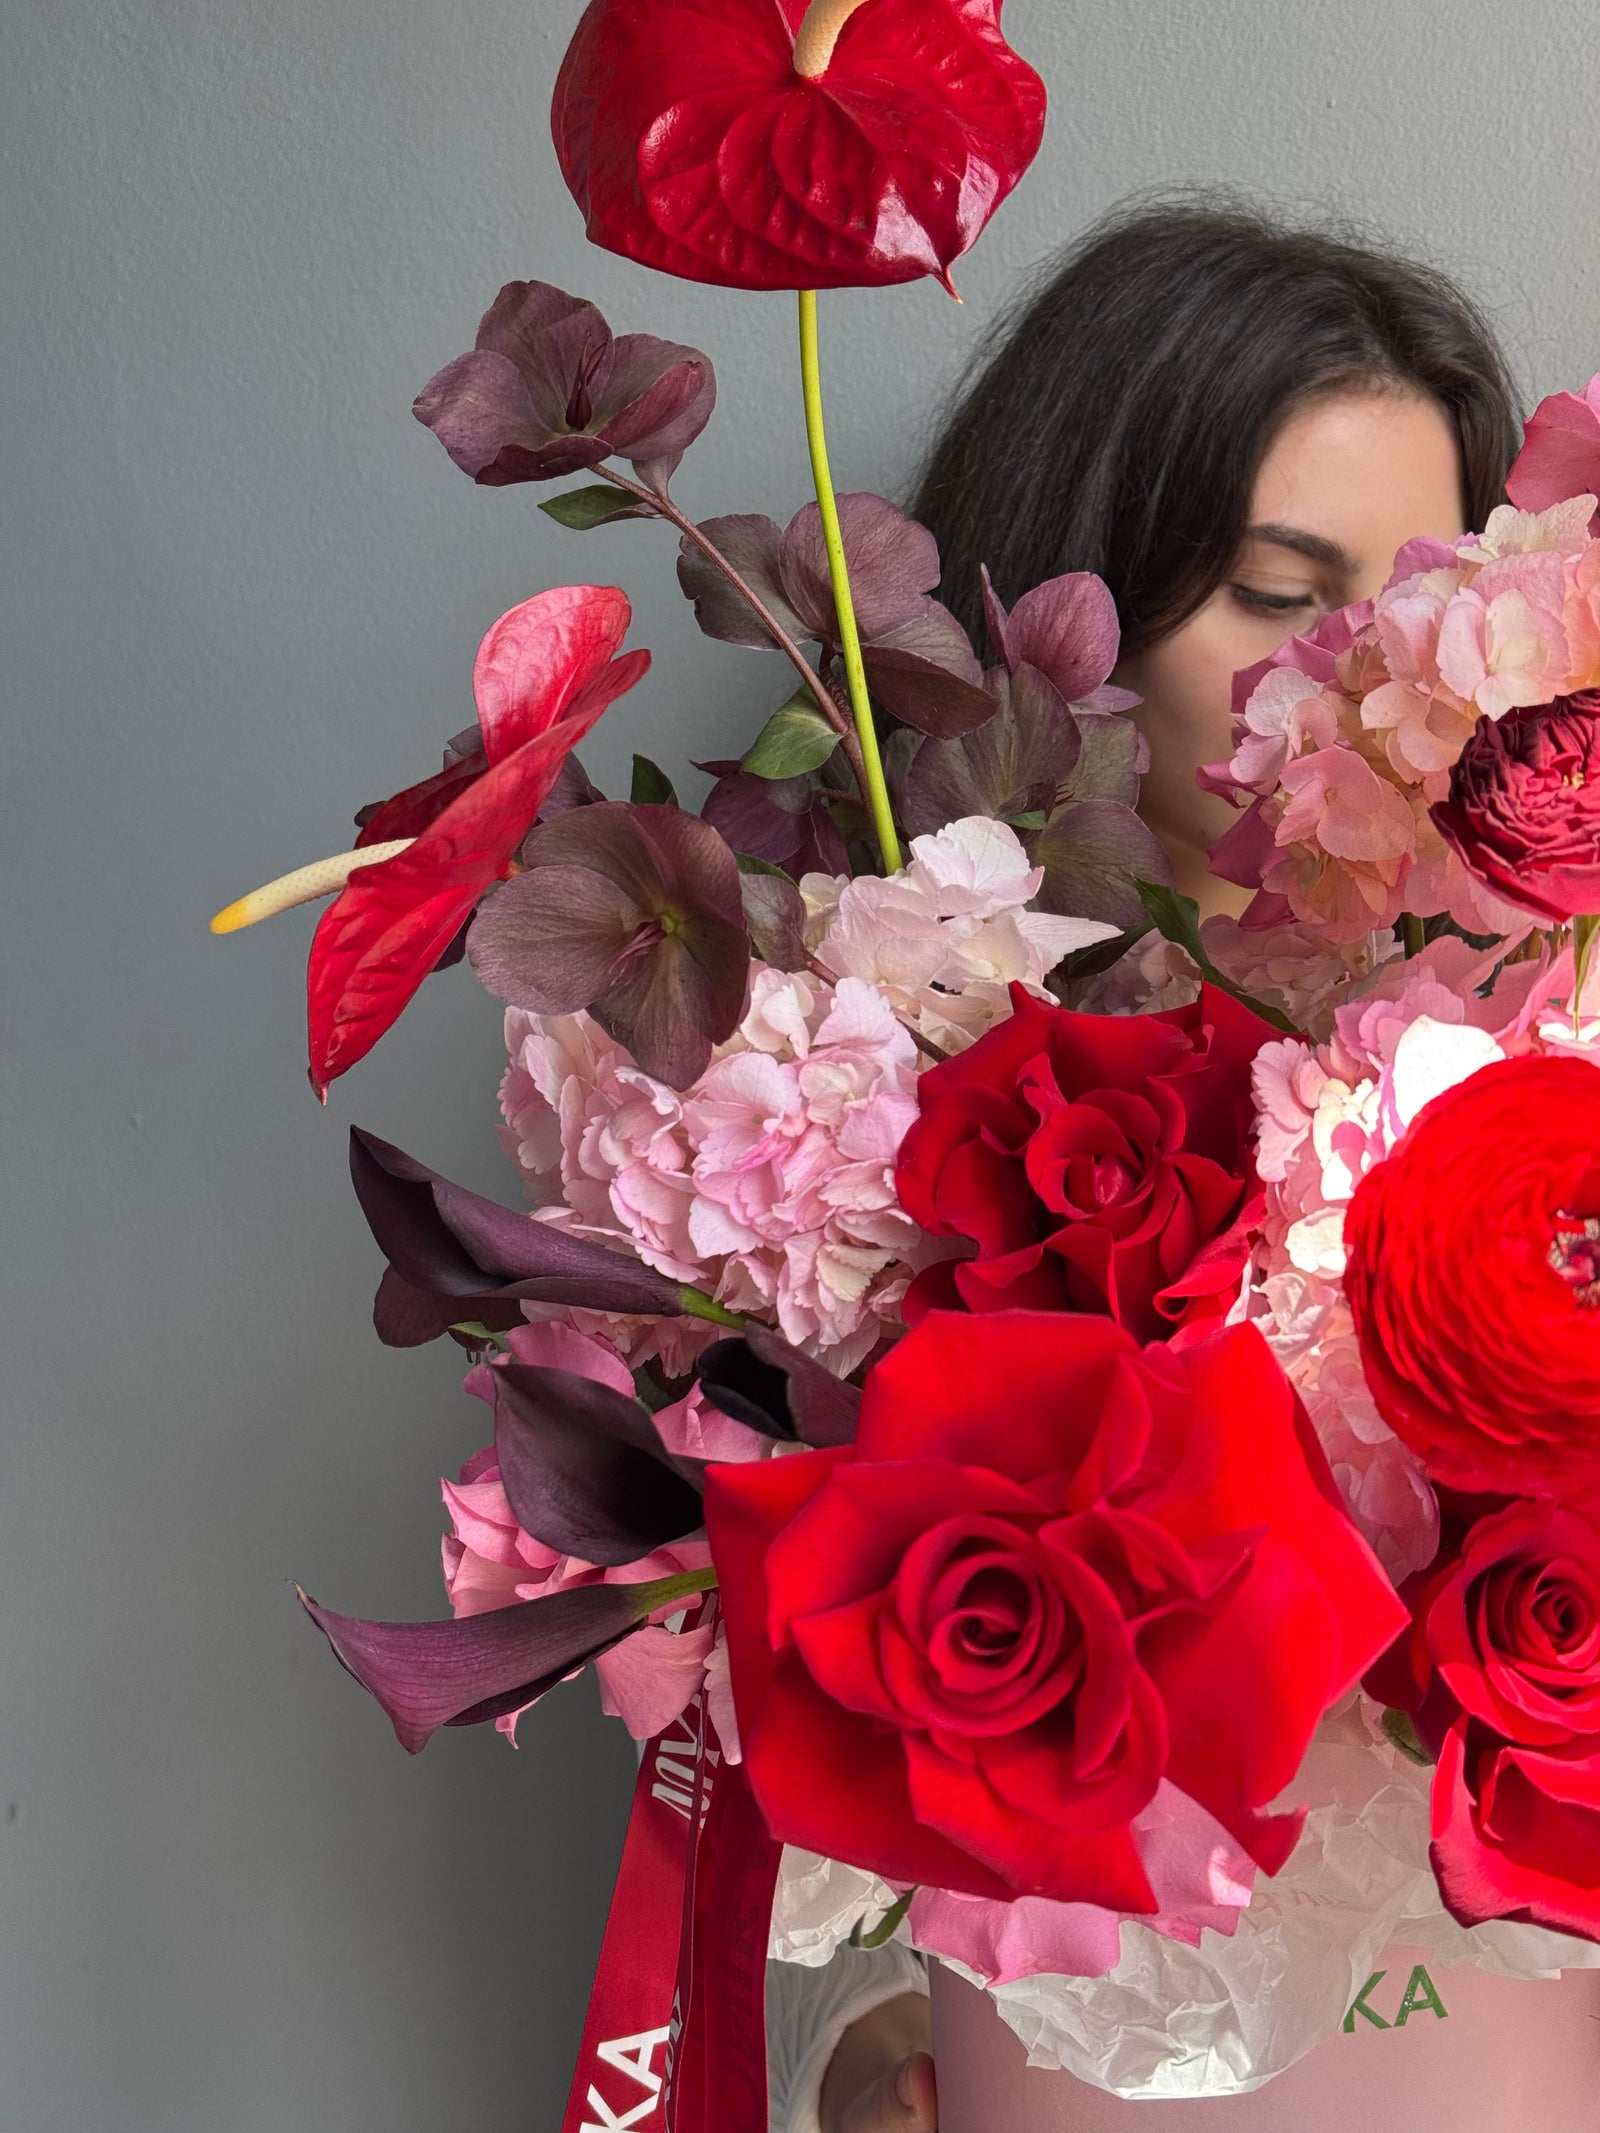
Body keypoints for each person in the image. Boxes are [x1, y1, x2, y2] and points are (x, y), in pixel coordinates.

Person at [767, 192, 1524, 2133]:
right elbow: (775, 1781)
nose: (1372, 674)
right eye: (1279, 595)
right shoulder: (849, 1124)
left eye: (1422, 596)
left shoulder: (1551, 1103)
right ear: (1074, 604)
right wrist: (859, 2046)